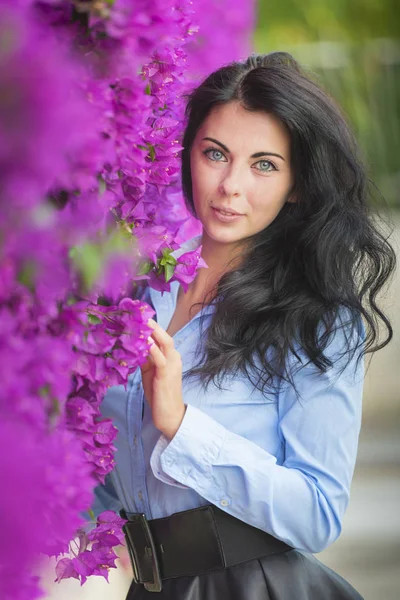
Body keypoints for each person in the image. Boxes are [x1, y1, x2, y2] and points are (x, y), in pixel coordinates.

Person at [93, 52, 396, 599]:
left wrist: (181, 424)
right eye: (215, 154)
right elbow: (104, 474)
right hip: (151, 588)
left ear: (297, 185)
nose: (231, 185)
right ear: (188, 156)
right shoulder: (139, 292)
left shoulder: (318, 318)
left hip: (254, 587)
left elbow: (318, 515)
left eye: (264, 165)